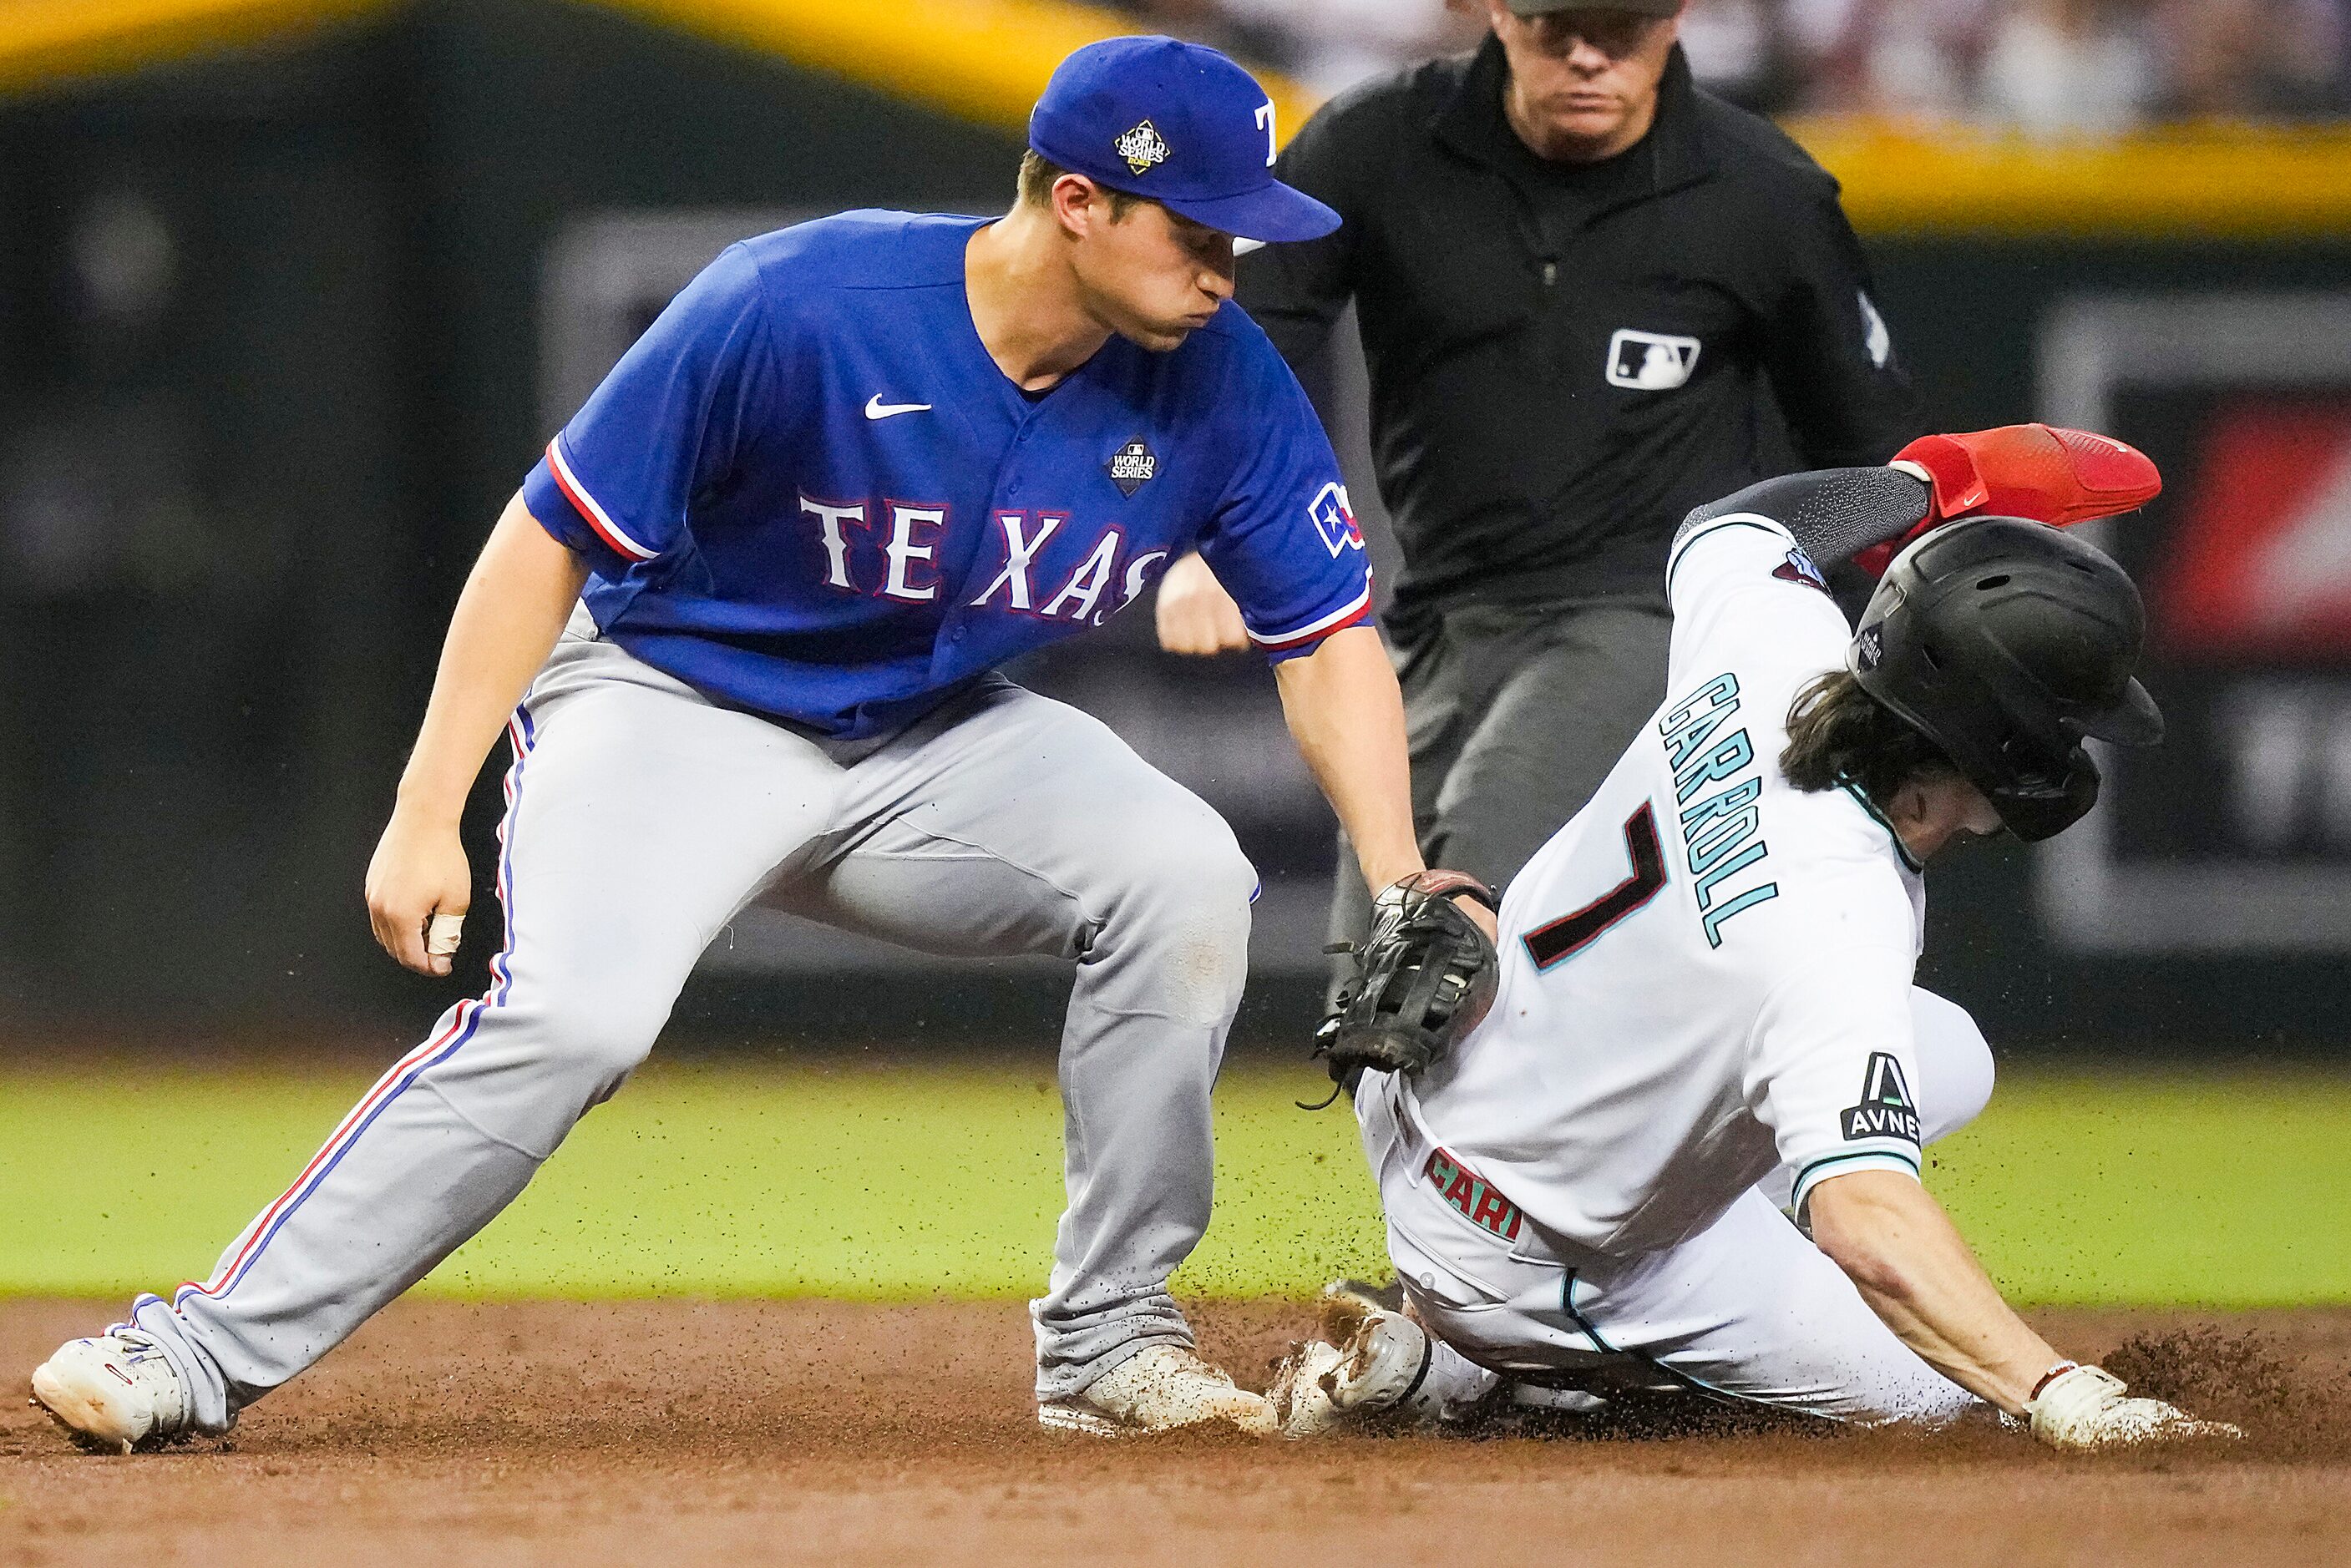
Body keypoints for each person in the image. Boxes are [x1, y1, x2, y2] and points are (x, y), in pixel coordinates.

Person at [28, 36, 1460, 1451]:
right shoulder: (804, 301)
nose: (1228, 267)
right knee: (576, 1020)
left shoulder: (1219, 382)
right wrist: (426, 804)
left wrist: (1396, 869)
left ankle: (1107, 1340)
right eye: (1198, 227)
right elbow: (545, 539)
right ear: (1077, 200)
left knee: (1185, 877)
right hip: (675, 706)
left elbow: (1327, 636)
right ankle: (193, 1350)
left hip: (932, 734)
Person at [1264, 427, 2242, 1449]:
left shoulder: (1783, 655)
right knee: (1939, 1404)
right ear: (2005, 749)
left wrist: (1921, 482)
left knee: (1948, 1056)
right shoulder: (1832, 923)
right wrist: (2063, 1395)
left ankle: (1508, 1325)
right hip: (1526, 1258)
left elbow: (1737, 525)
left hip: (1442, 1085)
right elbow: (1866, 1226)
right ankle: (1468, 1375)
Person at [1154, 0, 1924, 992]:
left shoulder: (1760, 190)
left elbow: (1874, 457)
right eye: (1558, 25)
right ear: (1496, 12)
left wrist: (1846, 667)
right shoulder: (1378, 142)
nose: (1591, 56)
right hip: (1435, 623)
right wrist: (1210, 530)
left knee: (1455, 918)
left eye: (1625, 26)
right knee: (1368, 981)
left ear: (1679, 13)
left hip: (1647, 617)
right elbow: (1239, 346)